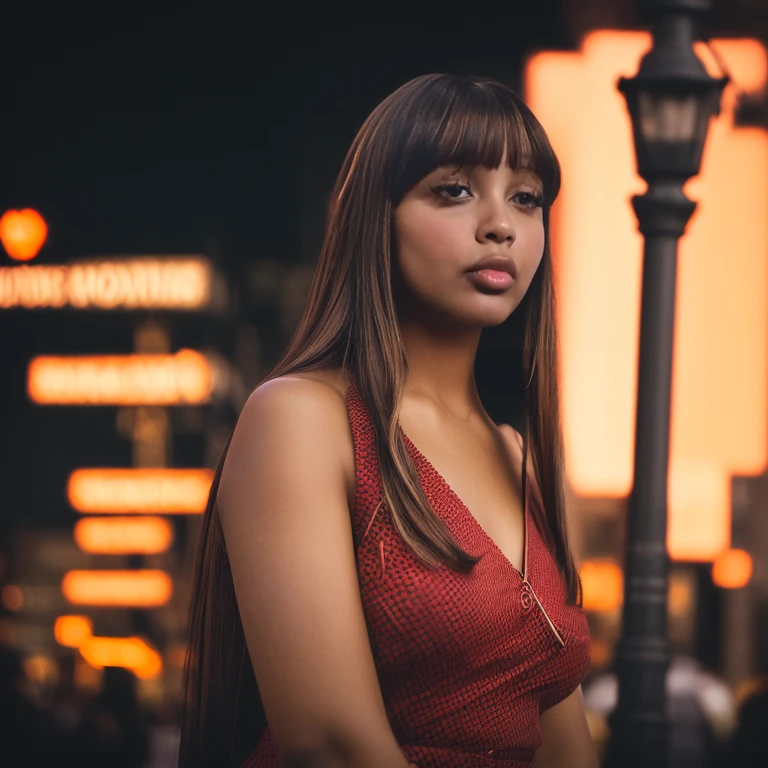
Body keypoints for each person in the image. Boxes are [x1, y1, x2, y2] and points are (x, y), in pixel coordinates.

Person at [180, 73, 597, 768]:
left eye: (526, 199)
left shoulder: (524, 455)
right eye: (454, 190)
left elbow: (560, 739)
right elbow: (330, 744)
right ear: (377, 216)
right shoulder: (300, 419)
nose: (500, 224)